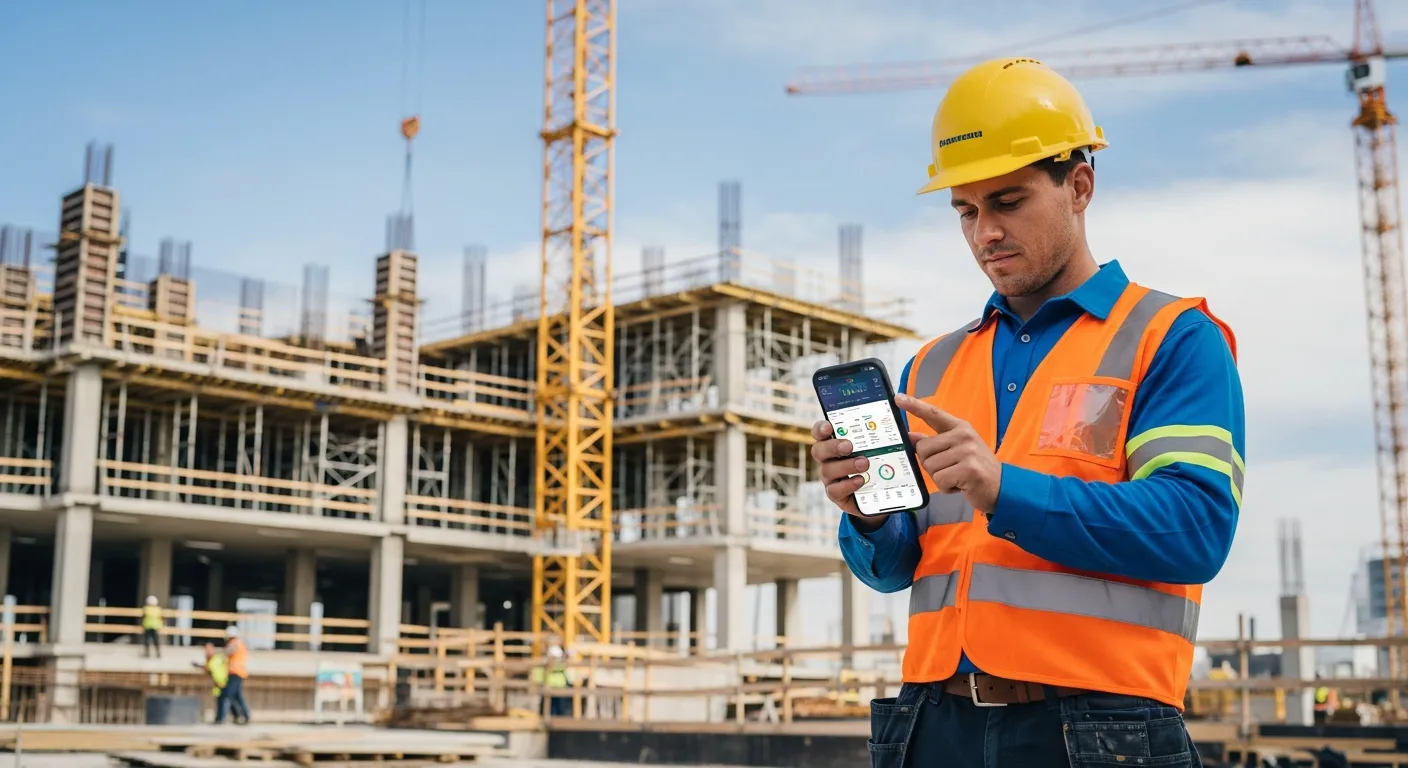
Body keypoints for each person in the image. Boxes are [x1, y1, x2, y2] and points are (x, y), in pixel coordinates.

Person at [810, 57, 1244, 767]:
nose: (985, 234)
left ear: (1079, 186)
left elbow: (1195, 530)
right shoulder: (933, 365)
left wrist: (1003, 488)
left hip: (1101, 730)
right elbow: (898, 569)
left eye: (1008, 202)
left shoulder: (1173, 339)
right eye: (966, 211)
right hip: (931, 723)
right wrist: (865, 515)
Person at [215, 625, 251, 725]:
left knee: (227, 695)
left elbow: (227, 652)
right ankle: (243, 716)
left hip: (235, 672)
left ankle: (222, 718)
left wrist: (215, 654)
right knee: (237, 696)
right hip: (238, 672)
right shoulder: (240, 643)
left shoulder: (234, 643)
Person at [530, 645, 572, 717]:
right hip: (550, 689)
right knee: (550, 710)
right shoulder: (544, 665)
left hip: (559, 689)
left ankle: (557, 724)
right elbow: (538, 677)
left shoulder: (560, 665)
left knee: (558, 710)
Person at [193, 642, 229, 712]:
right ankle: (220, 718)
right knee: (221, 700)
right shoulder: (211, 659)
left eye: (208, 649)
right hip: (217, 684)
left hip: (222, 682)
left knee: (226, 700)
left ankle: (221, 718)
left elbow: (210, 667)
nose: (206, 651)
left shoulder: (217, 659)